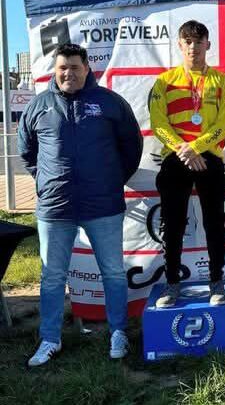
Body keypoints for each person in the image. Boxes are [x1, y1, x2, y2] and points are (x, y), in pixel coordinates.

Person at [18, 43, 142, 366]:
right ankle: (49, 339)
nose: (68, 73)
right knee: (52, 276)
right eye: (62, 68)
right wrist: (47, 181)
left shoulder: (110, 103)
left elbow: (132, 146)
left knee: (113, 272)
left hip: (103, 204)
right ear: (54, 71)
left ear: (87, 68)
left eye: (74, 67)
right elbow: (27, 152)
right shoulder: (39, 106)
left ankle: (118, 333)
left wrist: (112, 179)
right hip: (55, 208)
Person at [149, 20, 225, 308]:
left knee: (214, 223)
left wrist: (196, 147)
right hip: (176, 157)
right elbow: (158, 123)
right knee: (172, 223)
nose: (193, 47)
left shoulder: (222, 81)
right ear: (179, 44)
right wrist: (183, 150)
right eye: (188, 41)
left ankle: (216, 281)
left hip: (208, 157)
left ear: (208, 45)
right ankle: (172, 283)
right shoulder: (164, 81)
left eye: (199, 41)